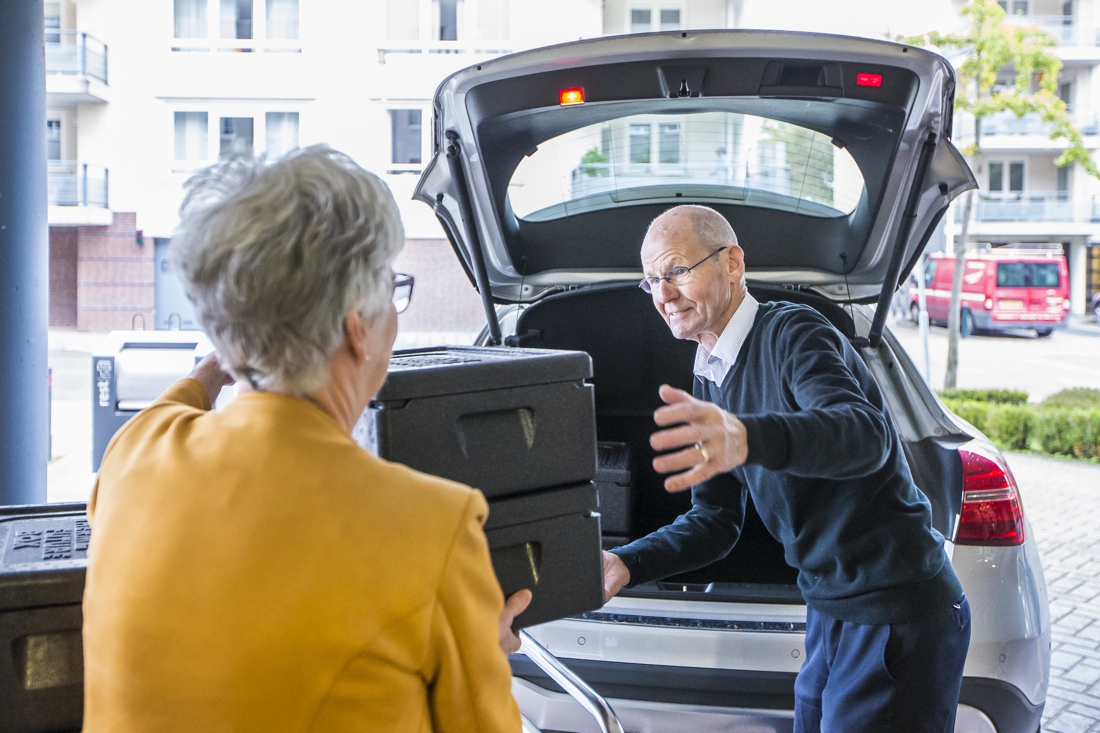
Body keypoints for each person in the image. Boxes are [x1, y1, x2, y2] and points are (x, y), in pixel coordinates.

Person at [82, 146, 528, 732]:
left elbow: (181, 400)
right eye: (393, 289)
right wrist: (481, 648)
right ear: (356, 327)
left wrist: (232, 353)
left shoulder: (136, 456)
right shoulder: (433, 528)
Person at [601, 205, 971, 732]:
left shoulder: (794, 332)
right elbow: (716, 522)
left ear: (733, 263)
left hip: (898, 610)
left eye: (677, 271)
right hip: (831, 609)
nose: (662, 295)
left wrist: (748, 437)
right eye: (652, 280)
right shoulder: (711, 376)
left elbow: (863, 433)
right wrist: (627, 562)